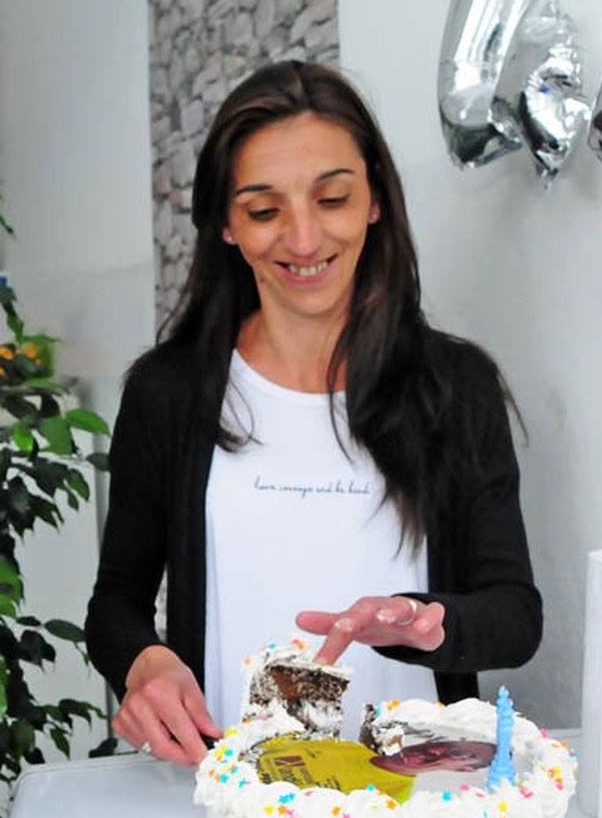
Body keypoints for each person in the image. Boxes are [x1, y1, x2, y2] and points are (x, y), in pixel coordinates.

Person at [86, 61, 541, 765]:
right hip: (227, 796)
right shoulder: (170, 393)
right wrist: (144, 661)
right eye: (264, 211)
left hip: (413, 799)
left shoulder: (455, 386)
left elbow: (515, 615)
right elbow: (116, 601)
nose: (303, 240)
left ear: (374, 202)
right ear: (228, 227)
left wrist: (424, 622)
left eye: (331, 198)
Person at [370, 739, 496, 777]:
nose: (436, 750)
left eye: (457, 754)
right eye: (449, 745)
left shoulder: (393, 798)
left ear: (462, 769)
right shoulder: (360, 748)